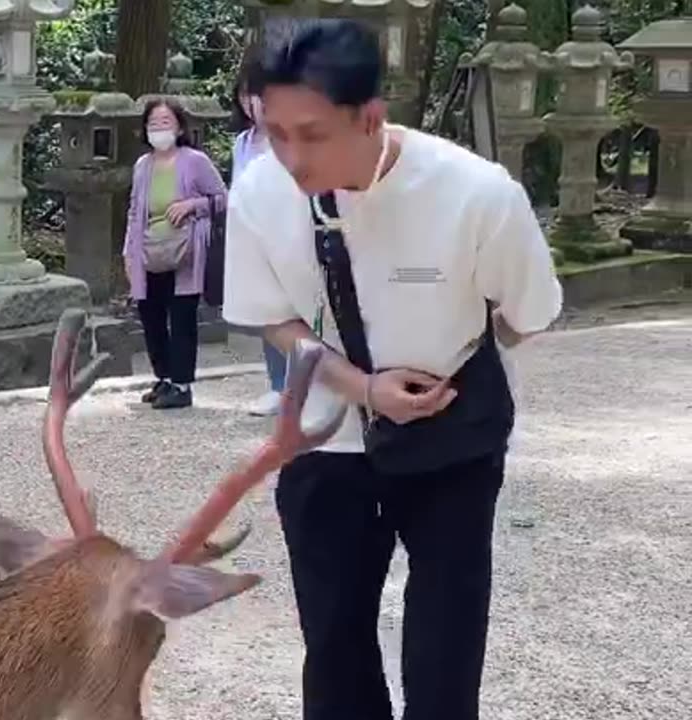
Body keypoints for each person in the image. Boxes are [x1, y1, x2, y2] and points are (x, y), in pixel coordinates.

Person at [222, 18, 562, 720]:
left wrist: (455, 363)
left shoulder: (478, 194)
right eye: (274, 131)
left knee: (445, 650)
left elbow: (527, 315)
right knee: (336, 650)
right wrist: (363, 388)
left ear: (370, 117)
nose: (289, 154)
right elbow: (274, 318)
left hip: (451, 447)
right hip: (323, 444)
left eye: (311, 133)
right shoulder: (260, 191)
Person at [124, 98, 228, 410]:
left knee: (181, 316)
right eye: (153, 123)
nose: (159, 128)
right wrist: (129, 251)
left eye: (165, 122)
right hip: (149, 252)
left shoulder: (194, 161)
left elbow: (223, 198)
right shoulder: (143, 166)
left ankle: (182, 384)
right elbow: (133, 212)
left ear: (179, 126)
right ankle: (164, 377)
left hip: (185, 252)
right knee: (151, 315)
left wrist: (191, 206)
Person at [228, 53, 289, 417]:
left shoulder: (293, 140)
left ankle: (309, 386)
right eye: (246, 96)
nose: (253, 104)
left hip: (290, 238)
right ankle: (278, 385)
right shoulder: (243, 143)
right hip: (255, 240)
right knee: (269, 315)